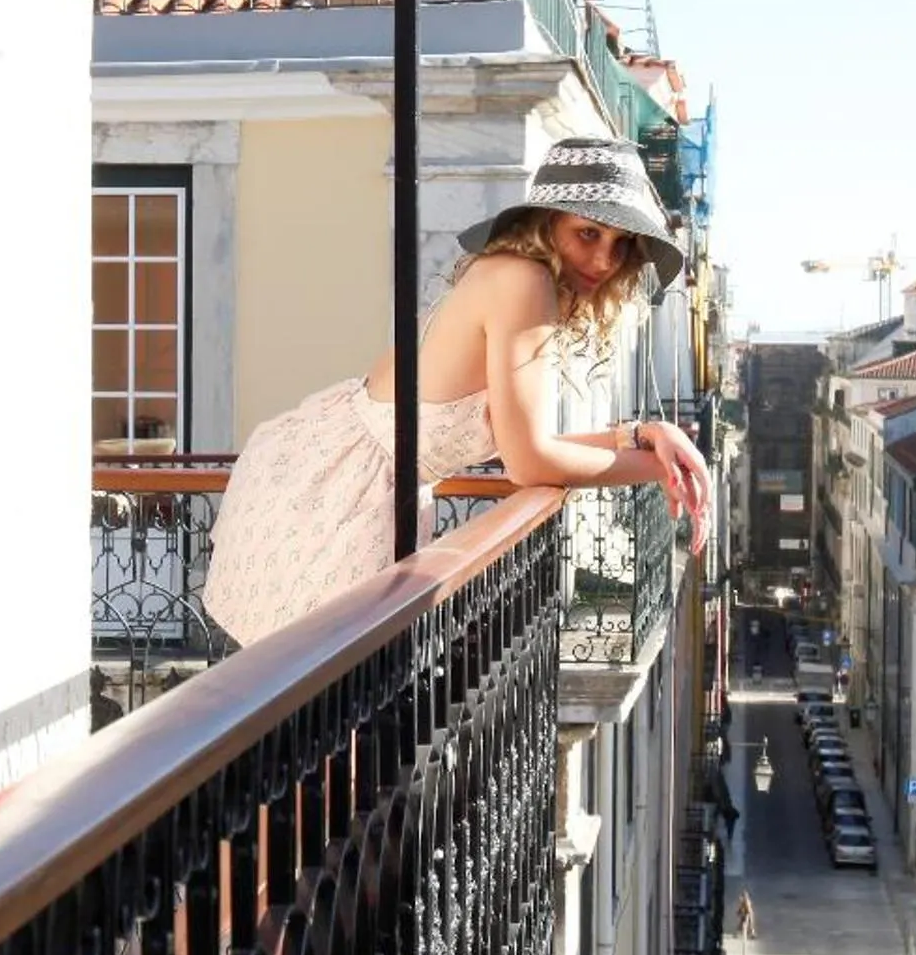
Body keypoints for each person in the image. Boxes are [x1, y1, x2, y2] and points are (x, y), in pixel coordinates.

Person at [202, 137, 713, 647]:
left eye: (621, 245)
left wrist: (642, 435)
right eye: (588, 232)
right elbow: (530, 462)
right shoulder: (525, 282)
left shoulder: (515, 276)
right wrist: (659, 469)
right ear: (547, 222)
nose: (604, 260)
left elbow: (530, 444)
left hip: (338, 474)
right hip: (339, 492)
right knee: (312, 695)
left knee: (304, 698)